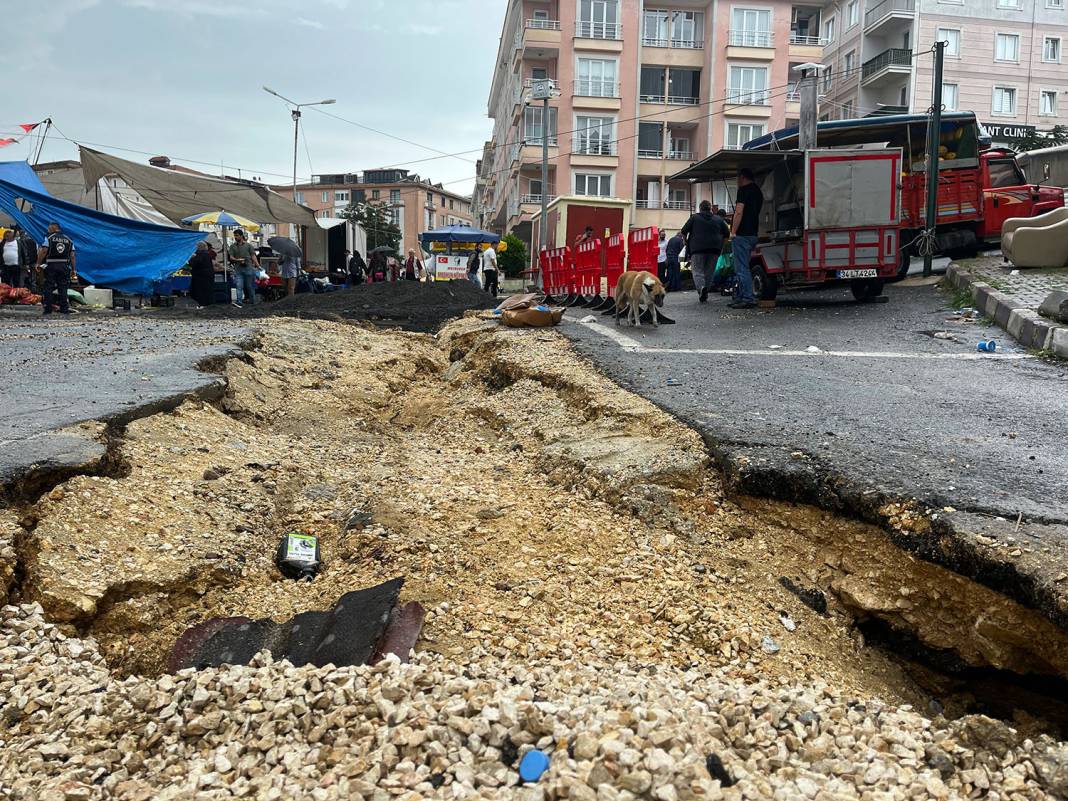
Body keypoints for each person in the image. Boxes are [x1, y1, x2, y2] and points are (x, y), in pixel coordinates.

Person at [681, 200, 730, 303]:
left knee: (697, 270)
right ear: (710, 208)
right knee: (709, 272)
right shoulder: (718, 219)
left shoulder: (694, 217)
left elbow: (684, 231)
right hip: (714, 249)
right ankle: (706, 290)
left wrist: (686, 242)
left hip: (697, 248)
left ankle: (701, 288)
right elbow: (727, 233)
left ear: (700, 208)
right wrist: (721, 245)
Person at [729, 167, 764, 310]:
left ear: (742, 177)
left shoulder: (743, 190)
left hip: (742, 234)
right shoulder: (758, 191)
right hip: (753, 234)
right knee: (744, 267)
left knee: (741, 268)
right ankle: (740, 297)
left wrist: (733, 231)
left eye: (738, 178)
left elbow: (739, 212)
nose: (737, 181)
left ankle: (746, 298)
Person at [36, 222, 77, 315]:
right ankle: (64, 309)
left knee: (48, 287)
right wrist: (74, 269)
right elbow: (73, 255)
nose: (48, 230)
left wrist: (38, 263)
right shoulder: (69, 239)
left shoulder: (49, 238)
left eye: (49, 228)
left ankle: (48, 309)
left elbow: (44, 251)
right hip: (64, 266)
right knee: (63, 288)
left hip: (51, 265)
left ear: (54, 228)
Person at [228, 229, 260, 307]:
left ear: (241, 236)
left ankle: (252, 301)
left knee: (249, 286)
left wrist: (258, 265)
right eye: (235, 235)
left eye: (237, 235)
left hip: (248, 268)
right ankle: (239, 301)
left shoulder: (248, 245)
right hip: (238, 269)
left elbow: (253, 256)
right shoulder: (232, 246)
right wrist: (237, 260)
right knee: (239, 286)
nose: (235, 237)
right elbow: (231, 257)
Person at [188, 241, 217, 308]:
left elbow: (194, 263)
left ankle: (202, 304)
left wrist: (191, 258)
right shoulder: (207, 254)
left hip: (200, 276)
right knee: (207, 291)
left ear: (199, 247)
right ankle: (207, 304)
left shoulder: (200, 254)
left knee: (199, 291)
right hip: (207, 275)